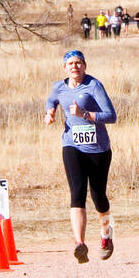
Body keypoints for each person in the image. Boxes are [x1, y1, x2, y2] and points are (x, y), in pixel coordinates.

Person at [45, 50, 117, 263]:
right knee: (76, 193)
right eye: (70, 63)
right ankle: (80, 244)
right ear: (65, 67)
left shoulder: (94, 86)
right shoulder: (59, 86)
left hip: (98, 149)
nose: (74, 67)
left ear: (84, 66)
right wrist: (50, 112)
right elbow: (52, 100)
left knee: (98, 197)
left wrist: (84, 114)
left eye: (78, 63)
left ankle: (106, 236)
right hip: (71, 145)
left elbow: (111, 116)